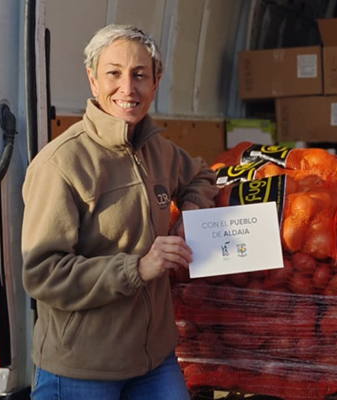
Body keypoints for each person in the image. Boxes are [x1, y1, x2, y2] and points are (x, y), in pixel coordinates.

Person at [21, 24, 218, 400]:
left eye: (140, 75)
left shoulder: (157, 149)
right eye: (113, 73)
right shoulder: (61, 164)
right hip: (84, 369)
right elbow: (43, 273)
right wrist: (139, 267)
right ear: (92, 80)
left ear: (156, 81)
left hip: (154, 361)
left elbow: (202, 175)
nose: (128, 88)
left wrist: (188, 215)